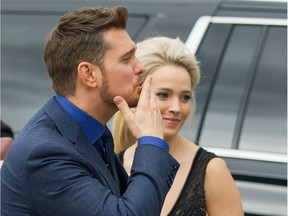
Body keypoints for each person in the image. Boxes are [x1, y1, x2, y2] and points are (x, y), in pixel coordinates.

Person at [1, 7, 180, 216]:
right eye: (126, 58)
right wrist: (151, 141)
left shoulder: (90, 132)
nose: (140, 66)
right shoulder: (44, 153)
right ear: (89, 74)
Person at [113, 36, 244, 216]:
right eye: (163, 95)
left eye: (185, 97)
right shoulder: (113, 165)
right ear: (138, 95)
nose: (176, 108)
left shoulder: (211, 170)